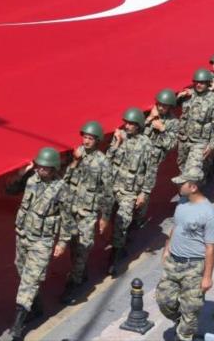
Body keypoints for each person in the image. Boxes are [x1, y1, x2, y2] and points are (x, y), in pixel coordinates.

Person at [5, 148, 66, 340]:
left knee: (29, 281)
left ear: (54, 169)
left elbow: (67, 218)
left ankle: (17, 326)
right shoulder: (31, 180)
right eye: (39, 166)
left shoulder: (61, 188)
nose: (40, 170)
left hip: (42, 241)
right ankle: (36, 307)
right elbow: (9, 190)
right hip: (23, 236)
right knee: (22, 270)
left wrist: (62, 242)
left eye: (45, 168)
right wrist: (21, 174)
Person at [155, 168, 214, 341]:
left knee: (191, 310)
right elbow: (176, 227)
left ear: (193, 187)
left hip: (194, 267)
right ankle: (181, 322)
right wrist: (167, 249)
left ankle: (184, 333)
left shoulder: (209, 214)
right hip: (173, 261)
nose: (178, 185)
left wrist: (207, 277)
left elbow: (210, 248)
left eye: (182, 183)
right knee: (163, 299)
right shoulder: (182, 202)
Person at [59, 121, 113, 304]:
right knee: (74, 246)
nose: (87, 141)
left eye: (91, 138)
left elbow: (107, 191)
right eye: (85, 137)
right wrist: (74, 161)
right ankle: (80, 272)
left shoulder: (103, 162)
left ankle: (74, 284)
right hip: (70, 208)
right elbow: (64, 180)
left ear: (97, 141)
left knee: (83, 246)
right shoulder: (77, 153)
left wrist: (105, 216)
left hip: (88, 212)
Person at [106, 108, 152, 276]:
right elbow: (108, 160)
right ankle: (120, 243)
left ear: (139, 126)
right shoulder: (119, 137)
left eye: (132, 124)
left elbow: (150, 171)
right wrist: (116, 144)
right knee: (111, 219)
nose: (127, 126)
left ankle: (115, 259)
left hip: (130, 192)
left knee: (121, 223)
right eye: (126, 122)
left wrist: (144, 193)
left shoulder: (146, 144)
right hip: (114, 187)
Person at [138, 89, 181, 229]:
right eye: (160, 104)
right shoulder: (148, 115)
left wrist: (162, 130)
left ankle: (139, 218)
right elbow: (136, 134)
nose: (161, 108)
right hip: (137, 156)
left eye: (165, 106)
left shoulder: (173, 122)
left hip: (153, 160)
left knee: (146, 189)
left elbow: (171, 145)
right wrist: (149, 119)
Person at [176, 69, 214, 180]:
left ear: (208, 83)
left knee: (193, 169)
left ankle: (190, 193)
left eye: (202, 83)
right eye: (196, 82)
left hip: (200, 141)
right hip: (184, 139)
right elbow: (172, 105)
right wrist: (180, 96)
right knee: (182, 166)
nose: (198, 85)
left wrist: (212, 145)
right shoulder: (188, 95)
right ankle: (189, 186)